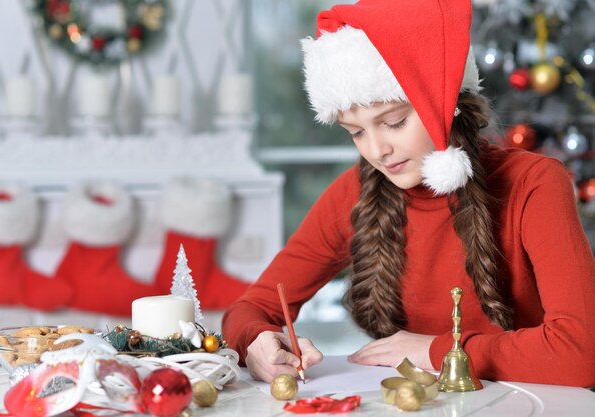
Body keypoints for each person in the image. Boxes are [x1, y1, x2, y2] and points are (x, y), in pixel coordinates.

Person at [222, 0, 595, 387]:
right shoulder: (354, 192)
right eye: (356, 132)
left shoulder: (534, 183)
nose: (376, 150)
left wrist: (436, 351)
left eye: (395, 122)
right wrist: (257, 341)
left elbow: (581, 354)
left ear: (444, 102)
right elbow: (250, 308)